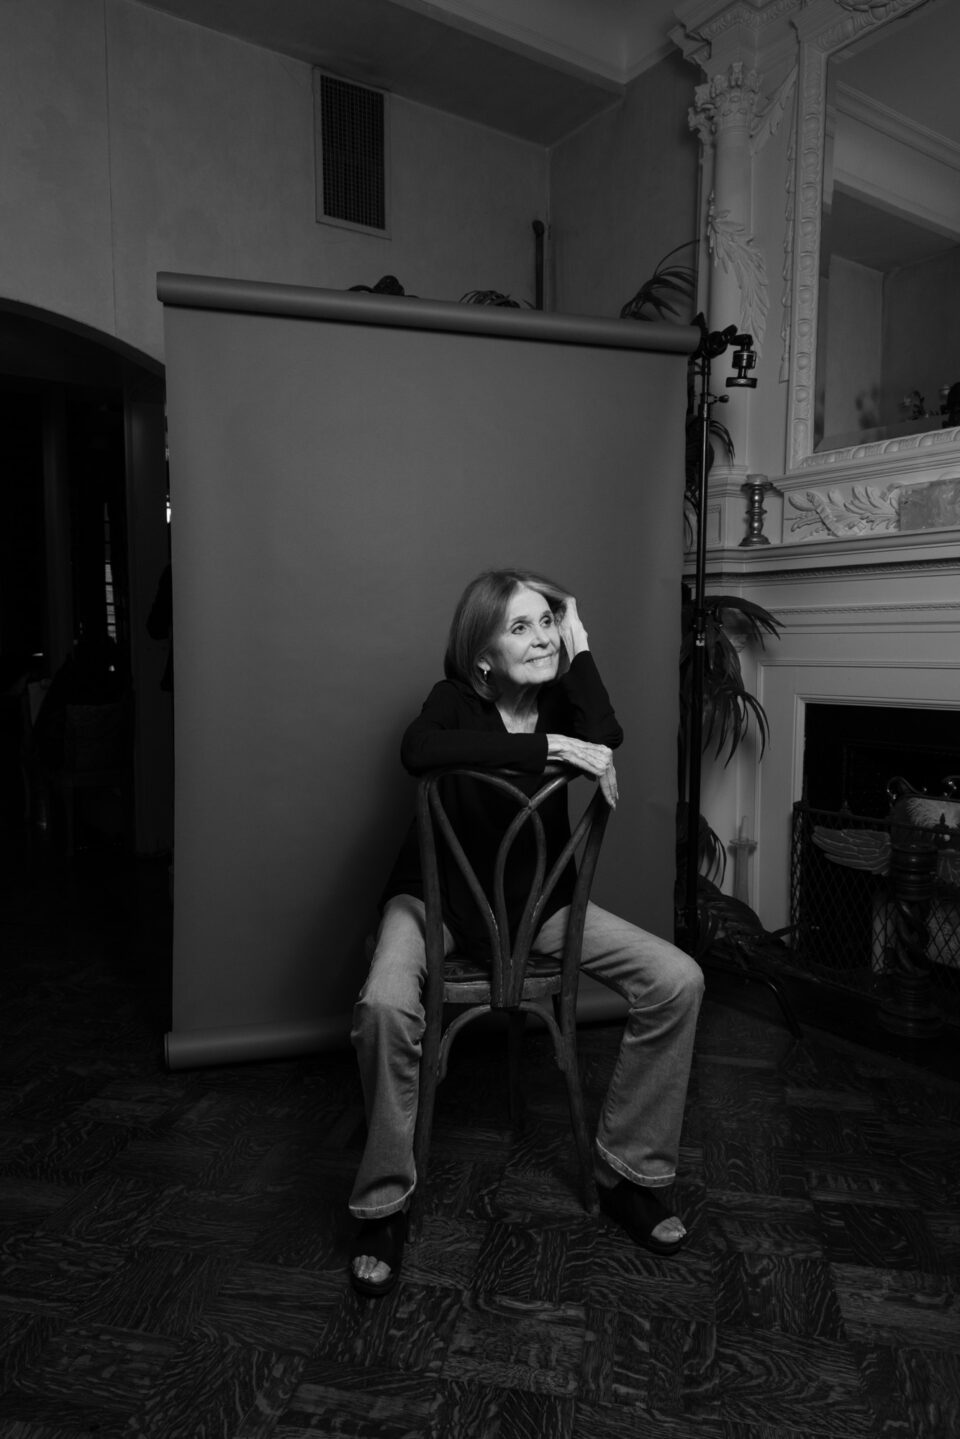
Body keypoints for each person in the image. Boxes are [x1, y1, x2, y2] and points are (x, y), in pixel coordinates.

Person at [349, 568, 704, 1298]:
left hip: (539, 909)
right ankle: (385, 1205)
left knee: (678, 980)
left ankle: (629, 1176)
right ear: (483, 655)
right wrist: (548, 751)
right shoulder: (454, 701)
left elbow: (607, 734)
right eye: (521, 627)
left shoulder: (561, 699)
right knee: (384, 1004)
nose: (542, 637)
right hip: (436, 903)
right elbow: (419, 749)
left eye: (547, 622)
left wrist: (581, 642)